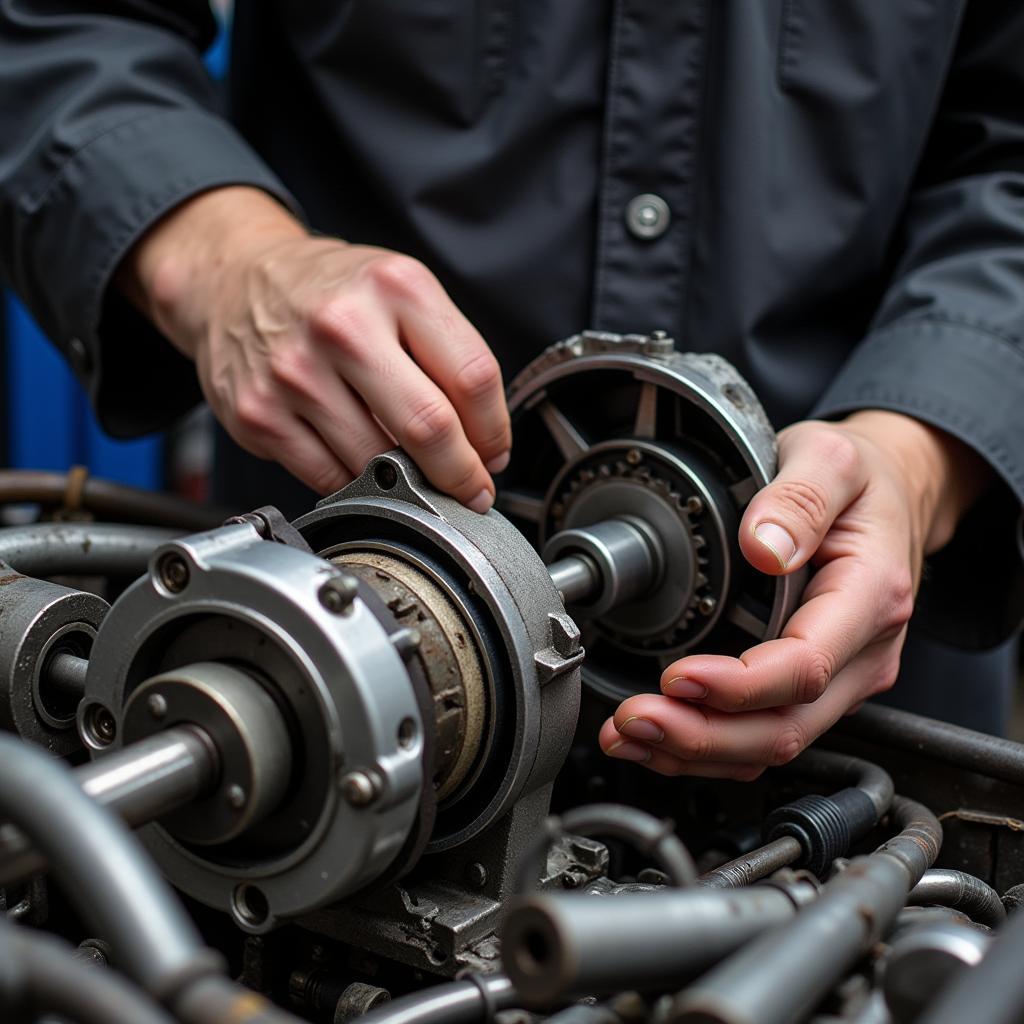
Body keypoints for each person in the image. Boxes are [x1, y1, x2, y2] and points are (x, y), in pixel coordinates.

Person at [0, 3, 1022, 772]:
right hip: (334, 652)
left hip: (851, 713)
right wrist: (227, 261)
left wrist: (915, 459)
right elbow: (57, 22)